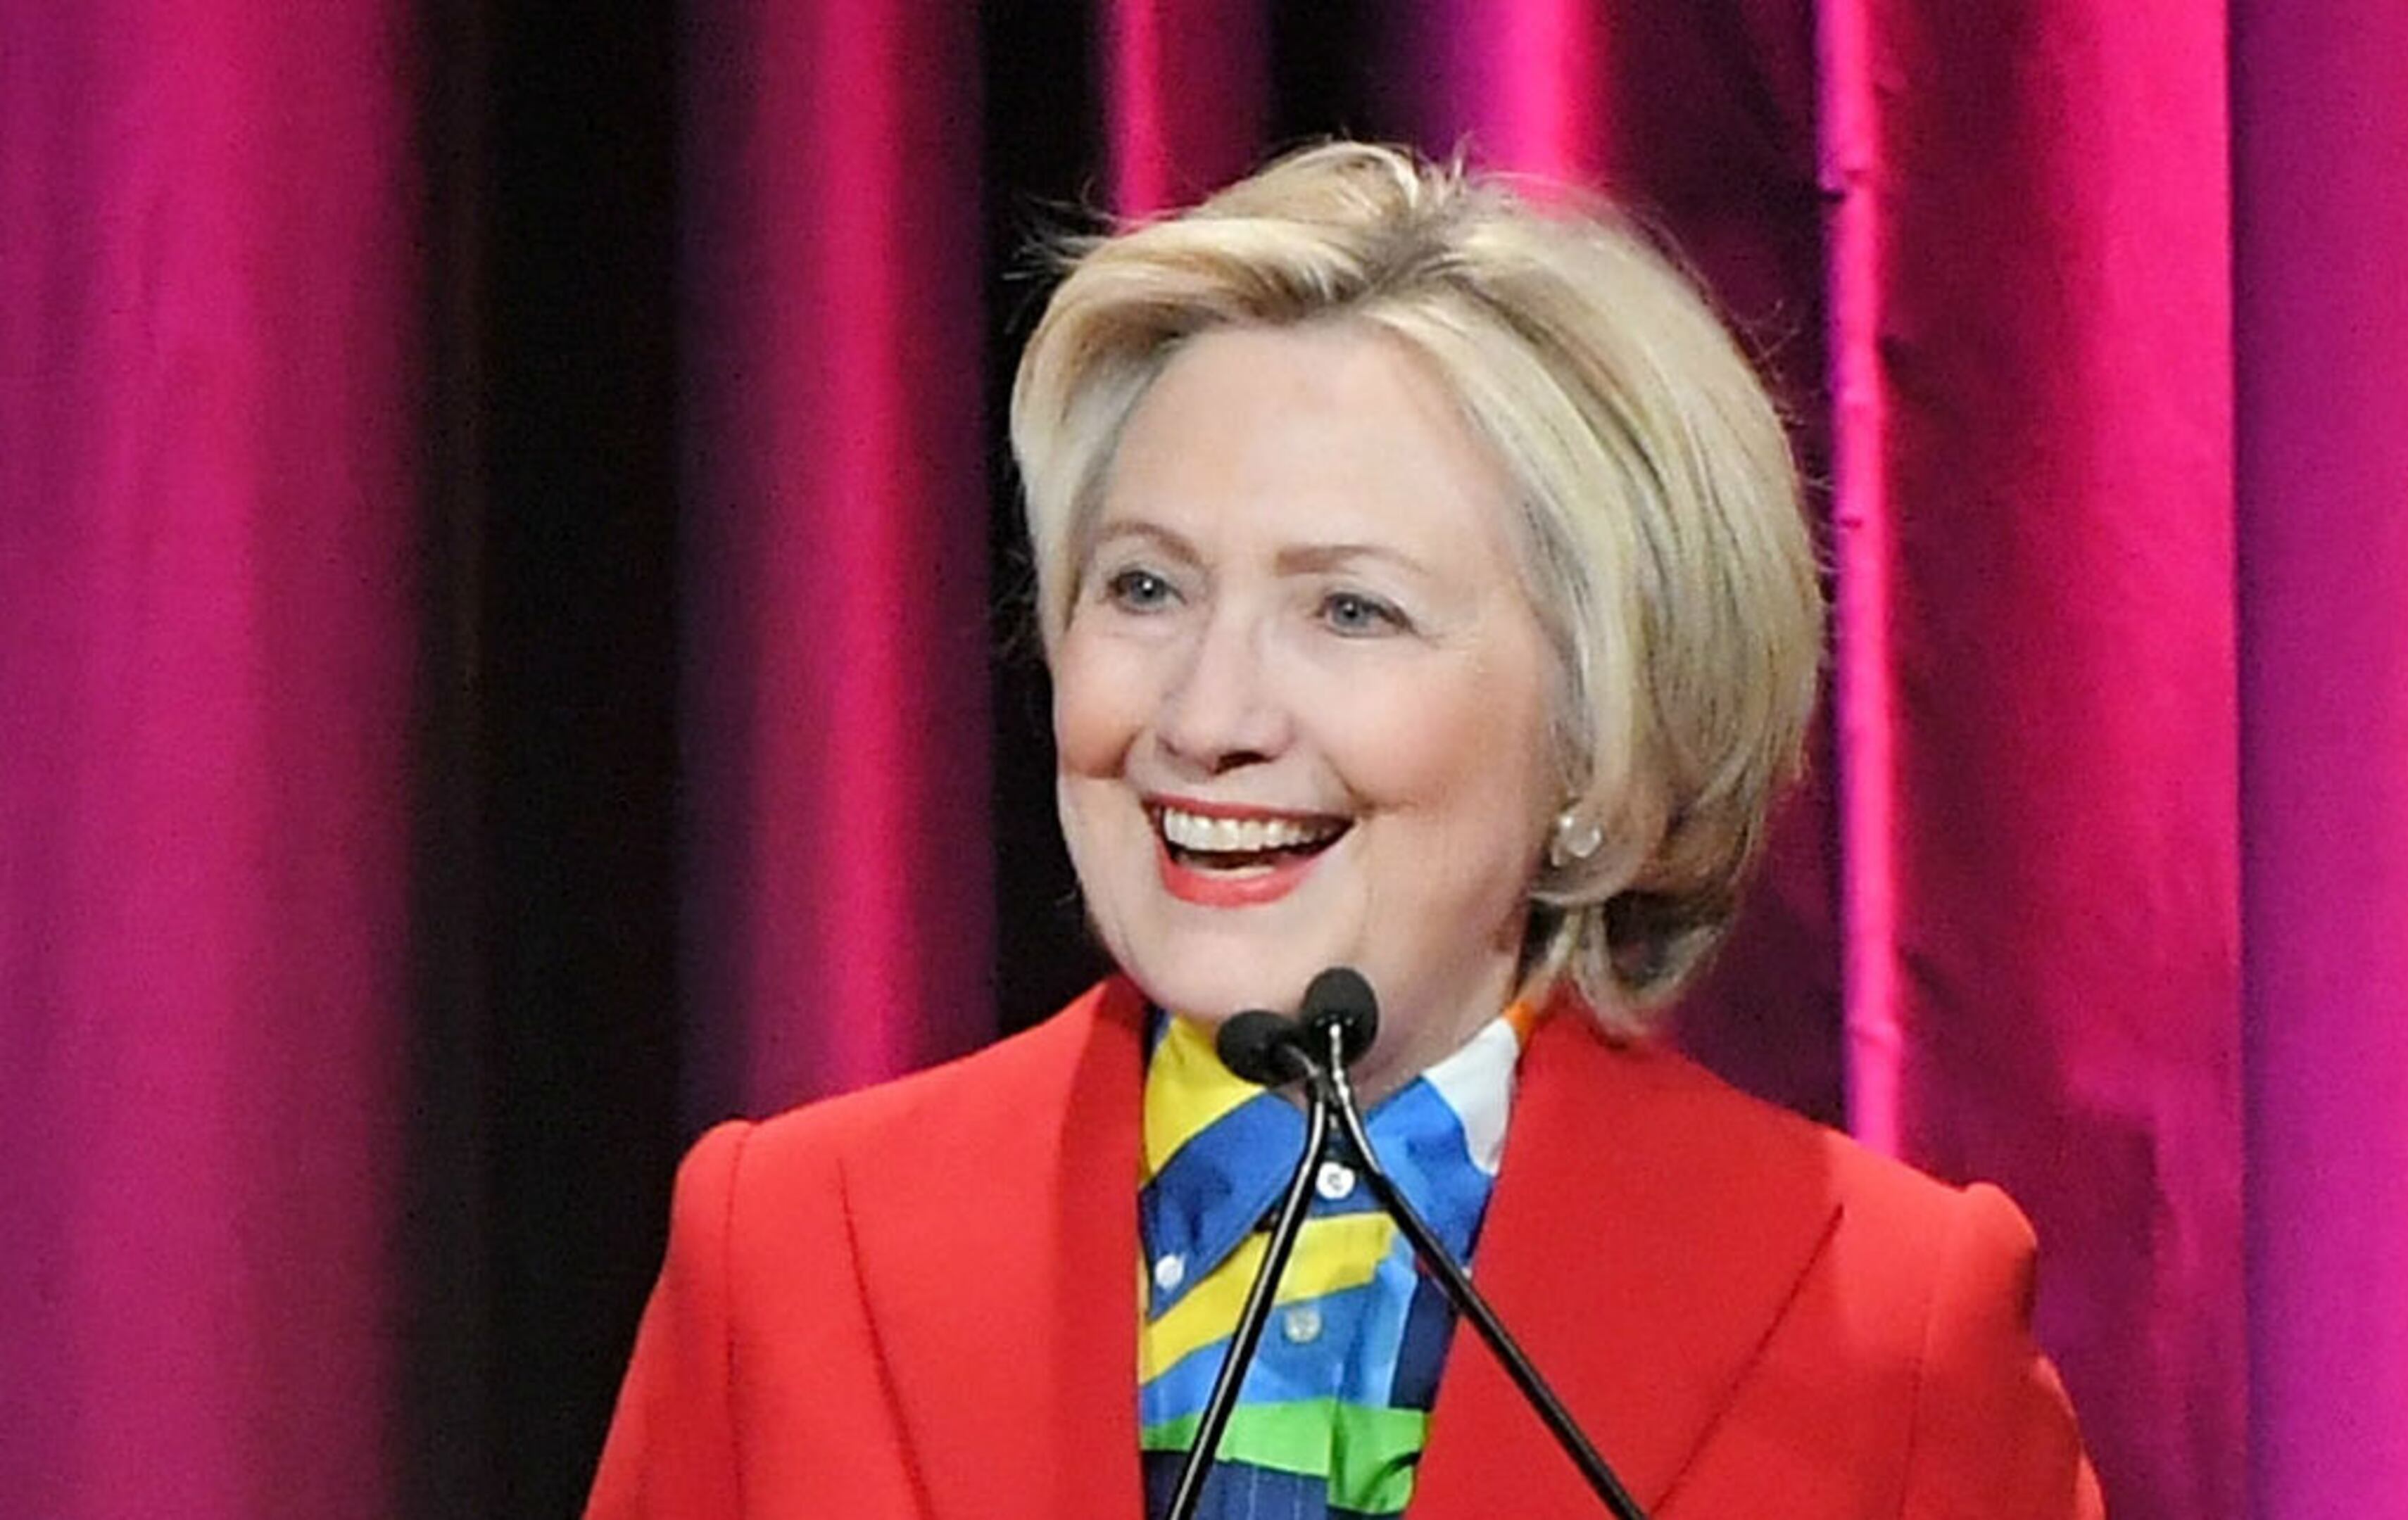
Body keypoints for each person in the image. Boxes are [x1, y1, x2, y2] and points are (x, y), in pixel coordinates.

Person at [587, 141, 2102, 1519]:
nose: (1207, 712)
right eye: (1147, 589)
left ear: (1595, 741)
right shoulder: (789, 1255)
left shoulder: (1886, 1326)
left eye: (1350, 610)